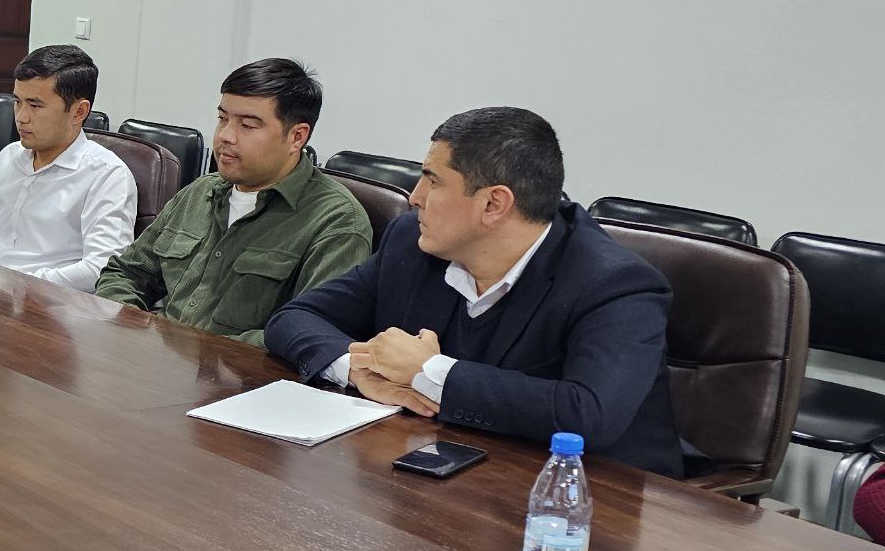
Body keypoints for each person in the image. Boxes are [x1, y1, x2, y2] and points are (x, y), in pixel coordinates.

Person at [265, 106, 682, 475]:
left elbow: (588, 414)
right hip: (450, 467)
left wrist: (429, 372)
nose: (414, 198)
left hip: (592, 499)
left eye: (432, 181)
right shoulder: (412, 243)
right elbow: (294, 317)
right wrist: (357, 369)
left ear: (493, 204)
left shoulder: (616, 285)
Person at [93, 59, 373, 347]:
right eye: (222, 119)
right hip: (153, 356)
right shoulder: (201, 192)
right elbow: (126, 273)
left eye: (248, 125)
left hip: (239, 372)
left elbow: (311, 332)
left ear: (296, 137)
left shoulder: (337, 223)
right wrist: (132, 328)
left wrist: (201, 355)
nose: (226, 136)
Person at [0, 44, 136, 290]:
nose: (21, 117)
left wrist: (21, 286)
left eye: (35, 105)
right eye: (17, 102)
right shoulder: (10, 156)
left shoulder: (107, 176)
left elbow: (101, 268)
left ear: (79, 112)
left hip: (48, 305)